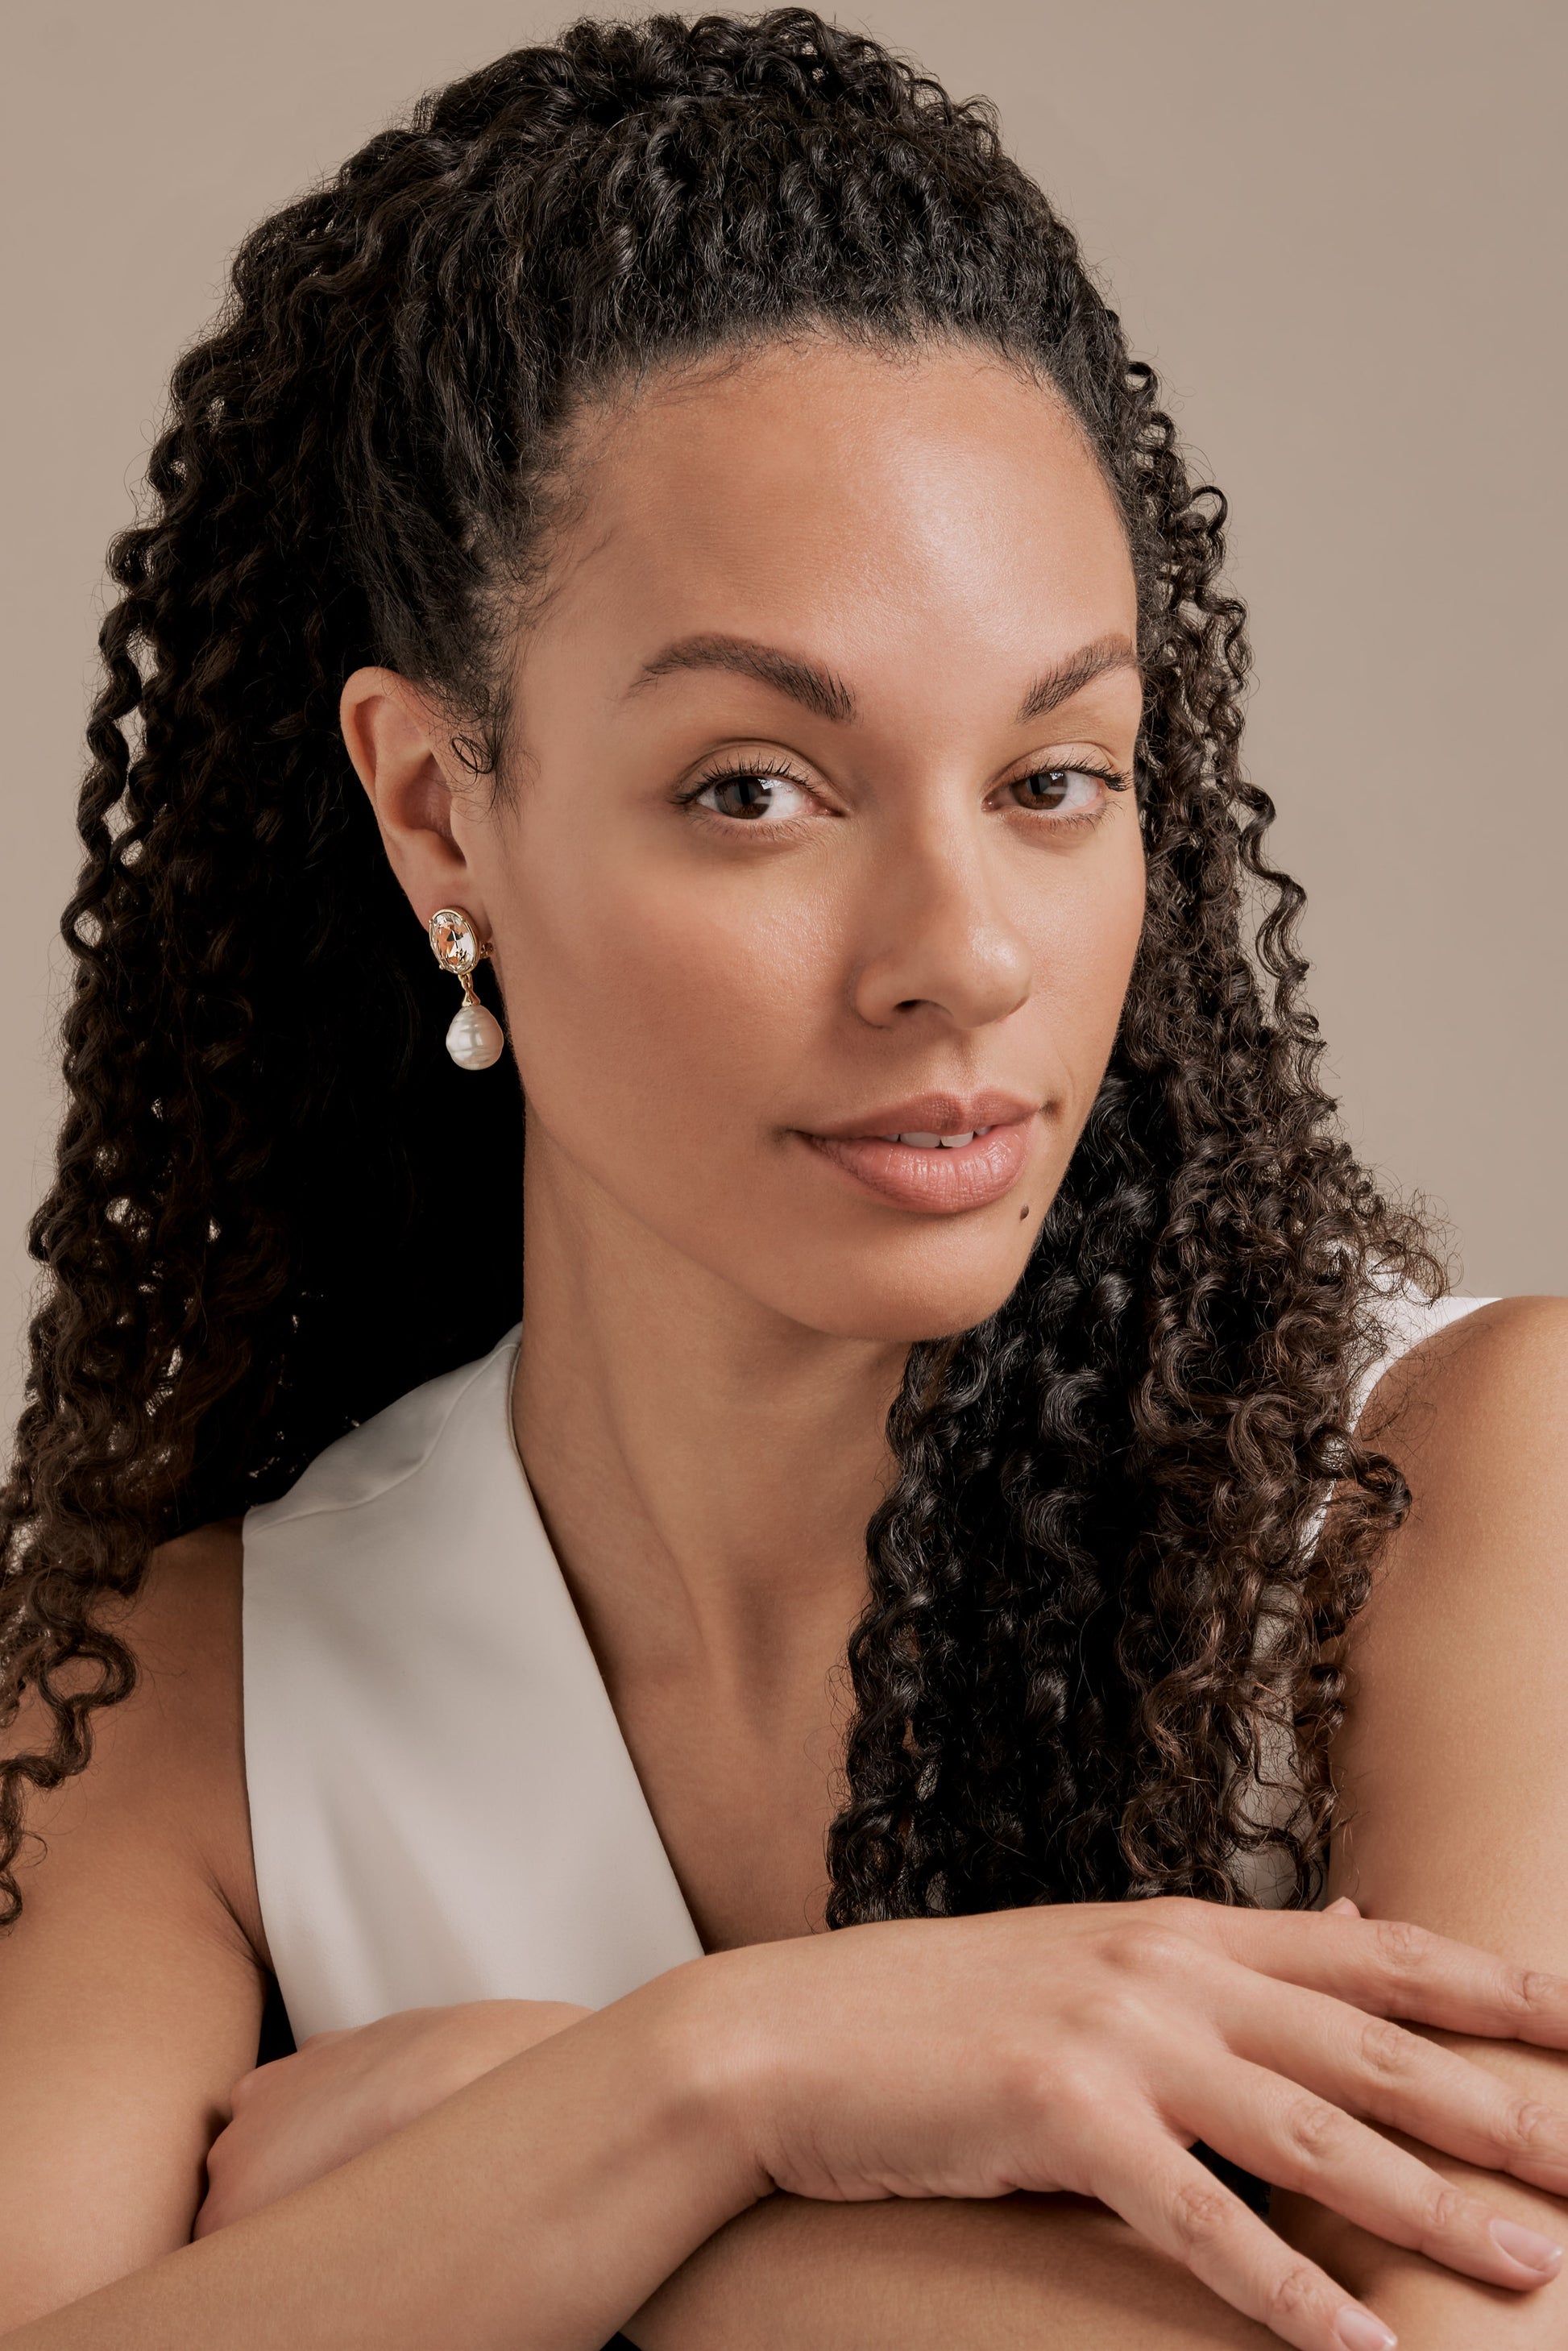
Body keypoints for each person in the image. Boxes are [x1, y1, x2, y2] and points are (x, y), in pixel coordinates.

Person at [1, 12, 1564, 2349]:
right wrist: (732, 2072)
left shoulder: (1453, 1493)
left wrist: (532, 2156)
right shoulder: (194, 1709)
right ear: (437, 812)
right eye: (757, 789)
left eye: (1052, 778)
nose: (964, 956)